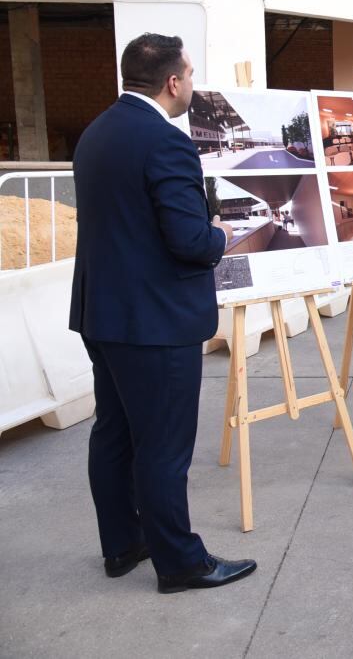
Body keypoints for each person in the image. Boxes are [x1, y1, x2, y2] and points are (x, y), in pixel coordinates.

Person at [70, 33, 256, 593]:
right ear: (173, 82)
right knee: (162, 446)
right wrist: (221, 233)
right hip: (154, 322)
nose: (192, 85)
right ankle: (180, 562)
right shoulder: (166, 141)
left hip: (102, 313)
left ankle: (124, 545)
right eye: (191, 75)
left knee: (116, 434)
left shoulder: (96, 132)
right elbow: (188, 241)